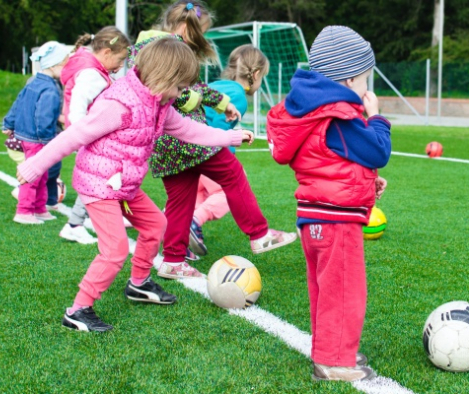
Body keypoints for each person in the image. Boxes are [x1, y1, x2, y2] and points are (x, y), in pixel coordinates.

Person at [16, 38, 254, 332]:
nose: (183, 94)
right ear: (164, 77)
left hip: (124, 185)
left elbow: (187, 129)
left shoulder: (160, 103)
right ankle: (78, 310)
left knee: (156, 225)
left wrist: (229, 137)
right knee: (115, 250)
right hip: (99, 185)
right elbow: (74, 136)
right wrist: (34, 166)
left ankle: (139, 284)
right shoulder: (118, 104)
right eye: (180, 87)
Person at [128, 0, 296, 280]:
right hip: (186, 136)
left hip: (165, 143)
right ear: (184, 27)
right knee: (232, 173)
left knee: (181, 199)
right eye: (200, 32)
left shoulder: (151, 46)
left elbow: (193, 86)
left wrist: (222, 103)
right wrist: (196, 101)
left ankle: (172, 260)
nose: (201, 40)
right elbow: (171, 90)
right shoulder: (165, 49)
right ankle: (259, 234)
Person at [266, 26, 392, 382]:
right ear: (350, 78)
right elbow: (377, 149)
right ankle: (334, 361)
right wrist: (377, 117)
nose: (367, 88)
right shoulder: (338, 116)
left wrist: (367, 182)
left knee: (325, 290)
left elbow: (329, 160)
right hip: (336, 222)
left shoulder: (312, 112)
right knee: (343, 291)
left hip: (315, 216)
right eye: (366, 79)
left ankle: (330, 349)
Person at [188, 44, 271, 258]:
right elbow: (216, 130)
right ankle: (194, 222)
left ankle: (175, 228)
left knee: (195, 195)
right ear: (255, 74)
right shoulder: (239, 97)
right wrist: (233, 139)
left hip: (186, 149)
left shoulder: (218, 85)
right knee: (228, 191)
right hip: (205, 152)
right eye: (263, 77)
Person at [57, 26, 131, 245]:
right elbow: (78, 106)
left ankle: (87, 220)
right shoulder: (92, 75)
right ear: (106, 53)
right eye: (119, 60)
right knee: (98, 180)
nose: (120, 67)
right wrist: (84, 133)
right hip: (91, 138)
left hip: (91, 136)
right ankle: (74, 224)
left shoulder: (91, 68)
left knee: (106, 177)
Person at [3, 41, 70, 225]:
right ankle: (24, 211)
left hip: (28, 136)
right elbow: (44, 117)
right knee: (34, 175)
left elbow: (18, 101)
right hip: (38, 139)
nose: (67, 69)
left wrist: (8, 122)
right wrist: (48, 140)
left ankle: (39, 208)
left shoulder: (33, 81)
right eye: (65, 64)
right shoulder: (50, 89)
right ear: (55, 65)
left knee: (42, 174)